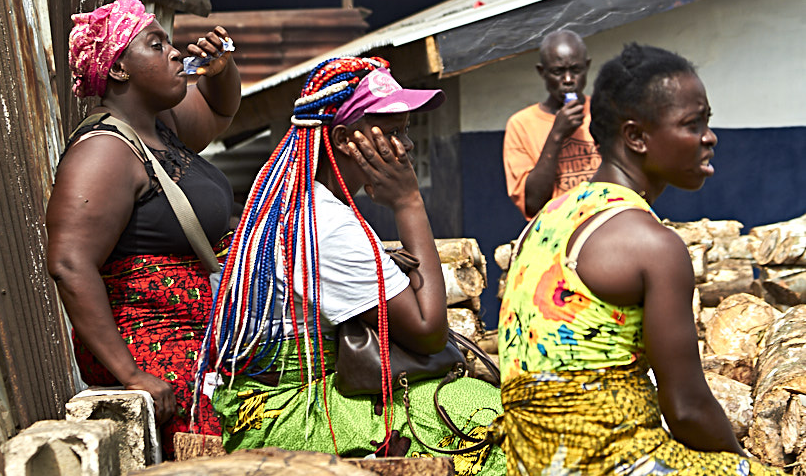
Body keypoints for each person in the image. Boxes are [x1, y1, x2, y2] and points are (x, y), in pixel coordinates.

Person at [194, 57, 505, 476]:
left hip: (267, 394)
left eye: (405, 131)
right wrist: (409, 203)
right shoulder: (326, 224)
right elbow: (430, 331)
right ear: (343, 139)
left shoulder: (293, 199)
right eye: (393, 132)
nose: (406, 145)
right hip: (288, 410)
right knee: (483, 419)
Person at [492, 43, 784, 474]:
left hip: (531, 463)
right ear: (636, 137)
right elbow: (686, 409)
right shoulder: (652, 244)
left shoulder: (548, 220)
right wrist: (743, 465)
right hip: (610, 461)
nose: (709, 137)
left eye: (708, 121)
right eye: (692, 123)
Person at [46, 0, 241, 457]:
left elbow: (220, 113)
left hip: (200, 332)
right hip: (154, 345)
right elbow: (70, 263)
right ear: (119, 70)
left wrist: (222, 70)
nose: (175, 53)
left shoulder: (161, 127)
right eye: (156, 45)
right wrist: (132, 376)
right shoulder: (105, 152)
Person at [503, 29, 600, 220]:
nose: (568, 80)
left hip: (605, 225)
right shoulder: (521, 124)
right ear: (542, 72)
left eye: (576, 70)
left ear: (587, 67)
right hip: (556, 231)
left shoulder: (605, 111)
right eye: (558, 72)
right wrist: (557, 134)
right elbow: (533, 204)